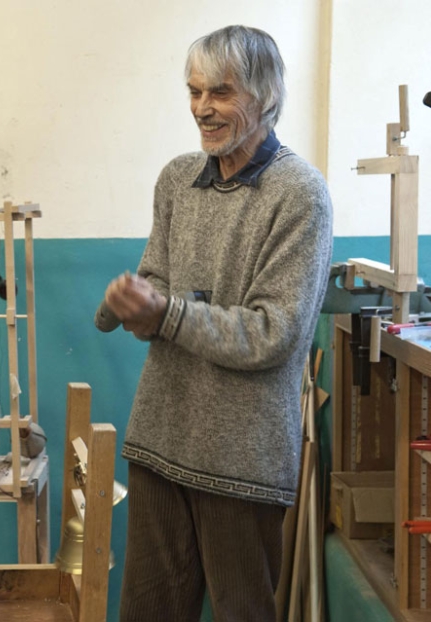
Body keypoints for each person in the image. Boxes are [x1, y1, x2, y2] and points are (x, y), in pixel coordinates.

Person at [99, 26, 333, 621]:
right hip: (160, 439)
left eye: (222, 92)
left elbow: (271, 333)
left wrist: (167, 313)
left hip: (242, 461)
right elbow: (160, 276)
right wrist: (132, 300)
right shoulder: (179, 178)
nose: (203, 108)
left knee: (243, 612)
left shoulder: (299, 194)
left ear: (265, 96)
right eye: (195, 91)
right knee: (149, 611)